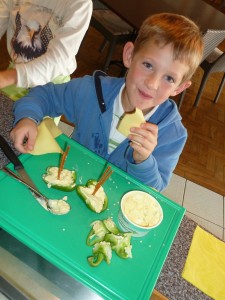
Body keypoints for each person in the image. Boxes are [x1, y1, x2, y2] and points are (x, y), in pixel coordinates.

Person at [10, 13, 204, 191]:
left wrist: (143, 160)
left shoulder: (172, 134)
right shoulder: (92, 92)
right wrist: (27, 118)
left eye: (169, 78)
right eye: (148, 65)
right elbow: (45, 95)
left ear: (178, 88)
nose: (152, 84)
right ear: (129, 55)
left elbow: (155, 190)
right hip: (68, 182)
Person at [0, 0, 92, 100]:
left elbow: (58, 59)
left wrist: (6, 78)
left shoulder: (80, 3)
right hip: (17, 70)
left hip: (52, 83)